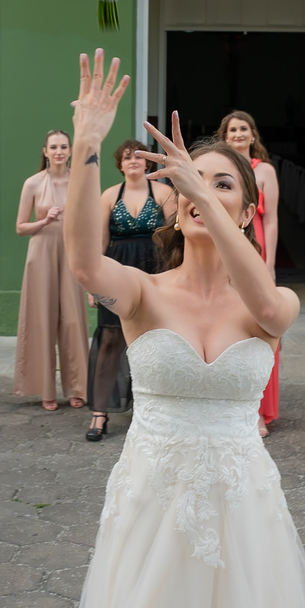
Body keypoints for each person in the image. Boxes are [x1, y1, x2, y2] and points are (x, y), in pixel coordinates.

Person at [66, 50, 305, 608]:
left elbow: (268, 311)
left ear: (248, 211)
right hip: (152, 502)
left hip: (244, 511)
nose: (203, 193)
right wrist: (87, 145)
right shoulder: (142, 293)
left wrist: (199, 190)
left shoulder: (272, 305)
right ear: (175, 209)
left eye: (222, 184)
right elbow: (83, 263)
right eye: (191, 186)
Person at [85, 138, 174, 441]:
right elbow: (98, 243)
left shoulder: (164, 192)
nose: (132, 161)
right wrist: (94, 285)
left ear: (147, 162)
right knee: (110, 339)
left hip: (155, 270)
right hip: (116, 270)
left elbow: (176, 238)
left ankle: (154, 411)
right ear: (119, 164)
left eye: (137, 156)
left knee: (155, 341)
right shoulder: (109, 195)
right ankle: (100, 412)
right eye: (126, 158)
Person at [14, 129, 89, 411]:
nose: (59, 151)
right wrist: (44, 220)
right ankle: (45, 389)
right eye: (53, 147)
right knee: (41, 319)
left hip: (72, 253)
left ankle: (77, 387)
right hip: (41, 252)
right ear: (45, 151)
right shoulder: (32, 183)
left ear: (70, 151)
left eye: (64, 147)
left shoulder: (80, 182)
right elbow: (21, 227)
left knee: (73, 320)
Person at [219, 110, 281, 437]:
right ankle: (229, 405)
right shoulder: (221, 170)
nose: (239, 133)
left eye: (244, 128)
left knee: (260, 325)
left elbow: (270, 219)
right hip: (226, 247)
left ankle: (258, 411)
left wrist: (269, 263)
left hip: (256, 247)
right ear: (225, 136)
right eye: (233, 129)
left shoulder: (266, 171)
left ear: (253, 135)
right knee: (227, 325)